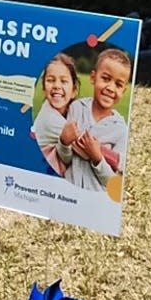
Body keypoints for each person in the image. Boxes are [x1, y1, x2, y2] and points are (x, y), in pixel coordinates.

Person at [57, 46, 132, 192]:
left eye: (118, 84)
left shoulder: (121, 129)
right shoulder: (77, 108)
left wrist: (97, 157)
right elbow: (65, 159)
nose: (111, 88)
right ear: (93, 78)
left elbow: (114, 182)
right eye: (105, 79)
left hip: (94, 200)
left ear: (123, 91)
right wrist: (64, 142)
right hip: (67, 193)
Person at [30, 51, 80, 175]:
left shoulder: (72, 111)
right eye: (51, 80)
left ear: (74, 91)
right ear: (43, 88)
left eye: (63, 81)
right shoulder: (49, 119)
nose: (57, 85)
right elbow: (88, 147)